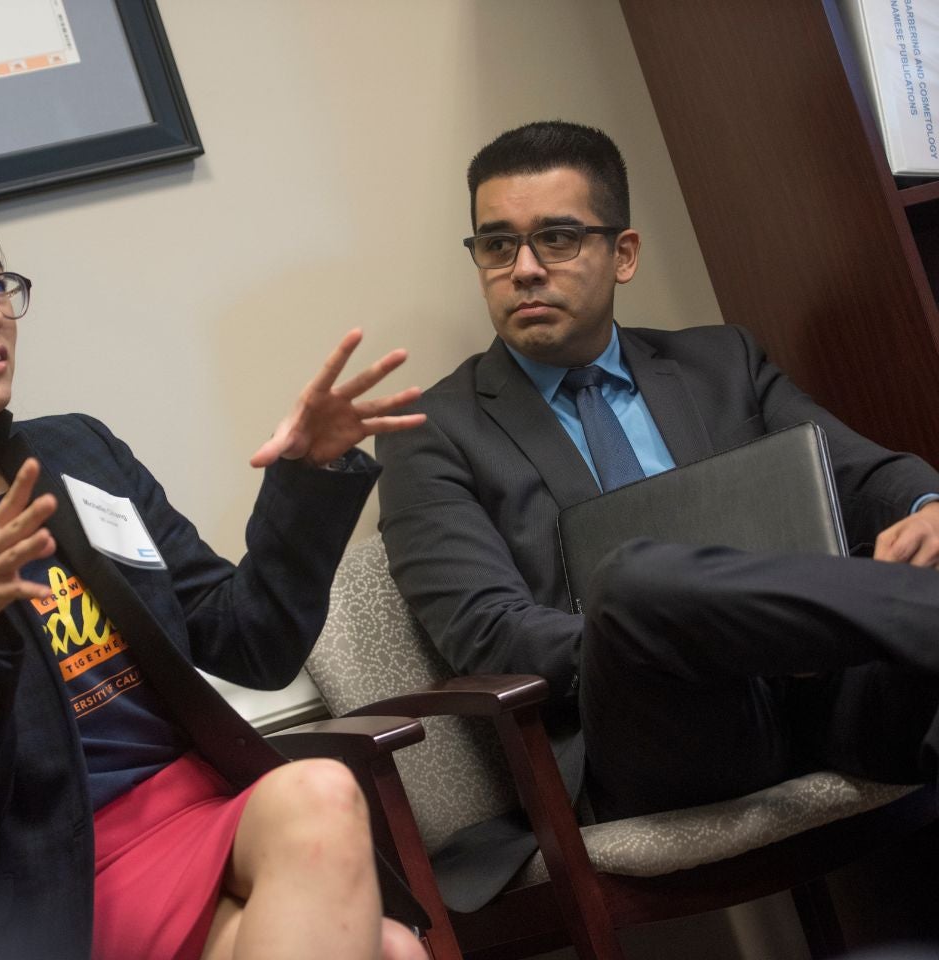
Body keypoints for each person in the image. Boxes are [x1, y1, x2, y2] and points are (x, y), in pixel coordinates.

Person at [0, 184, 430, 960]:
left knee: (360, 887)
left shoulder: (75, 453)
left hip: (205, 812)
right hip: (49, 881)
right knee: (384, 934)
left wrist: (308, 479)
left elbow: (250, 645)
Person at [375, 120, 939, 910]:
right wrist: (704, 632)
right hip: (662, 737)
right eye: (497, 246)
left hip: (830, 695)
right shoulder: (434, 435)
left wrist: (929, 504)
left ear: (625, 253)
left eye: (557, 239)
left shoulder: (722, 362)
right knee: (634, 579)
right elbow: (491, 633)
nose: (524, 270)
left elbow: (869, 476)